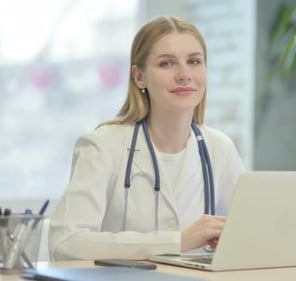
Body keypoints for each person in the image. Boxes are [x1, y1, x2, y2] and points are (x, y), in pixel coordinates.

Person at [48, 16, 245, 261]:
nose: (184, 74)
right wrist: (178, 241)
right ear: (139, 76)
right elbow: (65, 242)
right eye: (166, 64)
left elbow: (252, 231)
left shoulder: (219, 147)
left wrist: (232, 237)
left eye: (194, 61)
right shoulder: (103, 145)